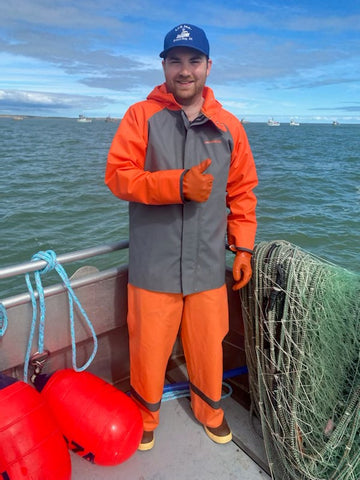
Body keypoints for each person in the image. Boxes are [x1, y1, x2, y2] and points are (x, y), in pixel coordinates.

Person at [105, 23, 258, 451]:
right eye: (176, 60)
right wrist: (175, 186)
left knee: (209, 345)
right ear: (164, 66)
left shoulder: (230, 127)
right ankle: (145, 414)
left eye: (194, 61)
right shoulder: (141, 115)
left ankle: (210, 410)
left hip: (208, 262)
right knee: (149, 346)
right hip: (154, 263)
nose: (185, 70)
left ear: (209, 66)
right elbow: (118, 177)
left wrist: (242, 245)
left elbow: (243, 191)